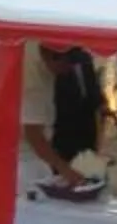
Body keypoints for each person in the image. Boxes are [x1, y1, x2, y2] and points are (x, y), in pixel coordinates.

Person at [21, 44, 109, 186]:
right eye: (67, 63)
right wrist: (66, 170)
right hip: (28, 162)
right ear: (52, 57)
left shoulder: (50, 70)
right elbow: (34, 135)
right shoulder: (33, 80)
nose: (69, 69)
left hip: (44, 155)